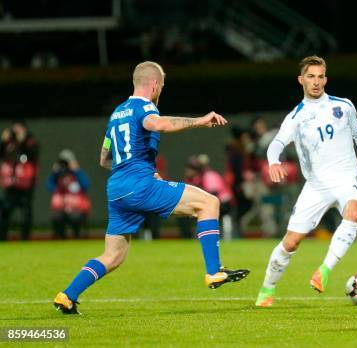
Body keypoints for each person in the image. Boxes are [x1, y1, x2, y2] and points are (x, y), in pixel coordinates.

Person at [54, 61, 249, 314]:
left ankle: (67, 295)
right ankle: (214, 271)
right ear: (155, 84)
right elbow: (158, 124)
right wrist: (200, 121)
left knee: (113, 257)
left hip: (116, 189)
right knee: (209, 203)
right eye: (162, 86)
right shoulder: (145, 107)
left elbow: (104, 159)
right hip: (139, 185)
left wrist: (134, 169)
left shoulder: (116, 114)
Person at [255, 55, 357, 306]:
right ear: (301, 80)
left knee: (353, 212)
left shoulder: (344, 106)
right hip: (316, 185)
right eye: (310, 76)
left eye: (320, 76)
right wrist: (274, 162)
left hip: (347, 178)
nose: (316, 82)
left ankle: (324, 270)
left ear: (326, 78)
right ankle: (266, 290)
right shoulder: (296, 116)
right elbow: (276, 144)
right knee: (291, 242)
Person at [0, 120, 39, 241]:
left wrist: (22, 141)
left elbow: (33, 156)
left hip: (25, 185)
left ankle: (25, 237)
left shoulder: (30, 142)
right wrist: (3, 141)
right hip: (10, 184)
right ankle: (2, 237)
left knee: (25, 213)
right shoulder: (8, 143)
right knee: (5, 212)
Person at [46, 149, 91, 239]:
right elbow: (49, 186)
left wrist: (77, 170)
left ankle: (77, 237)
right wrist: (54, 173)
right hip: (62, 207)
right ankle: (60, 238)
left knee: (76, 217)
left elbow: (86, 185)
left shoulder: (77, 174)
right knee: (57, 217)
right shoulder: (58, 175)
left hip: (76, 208)